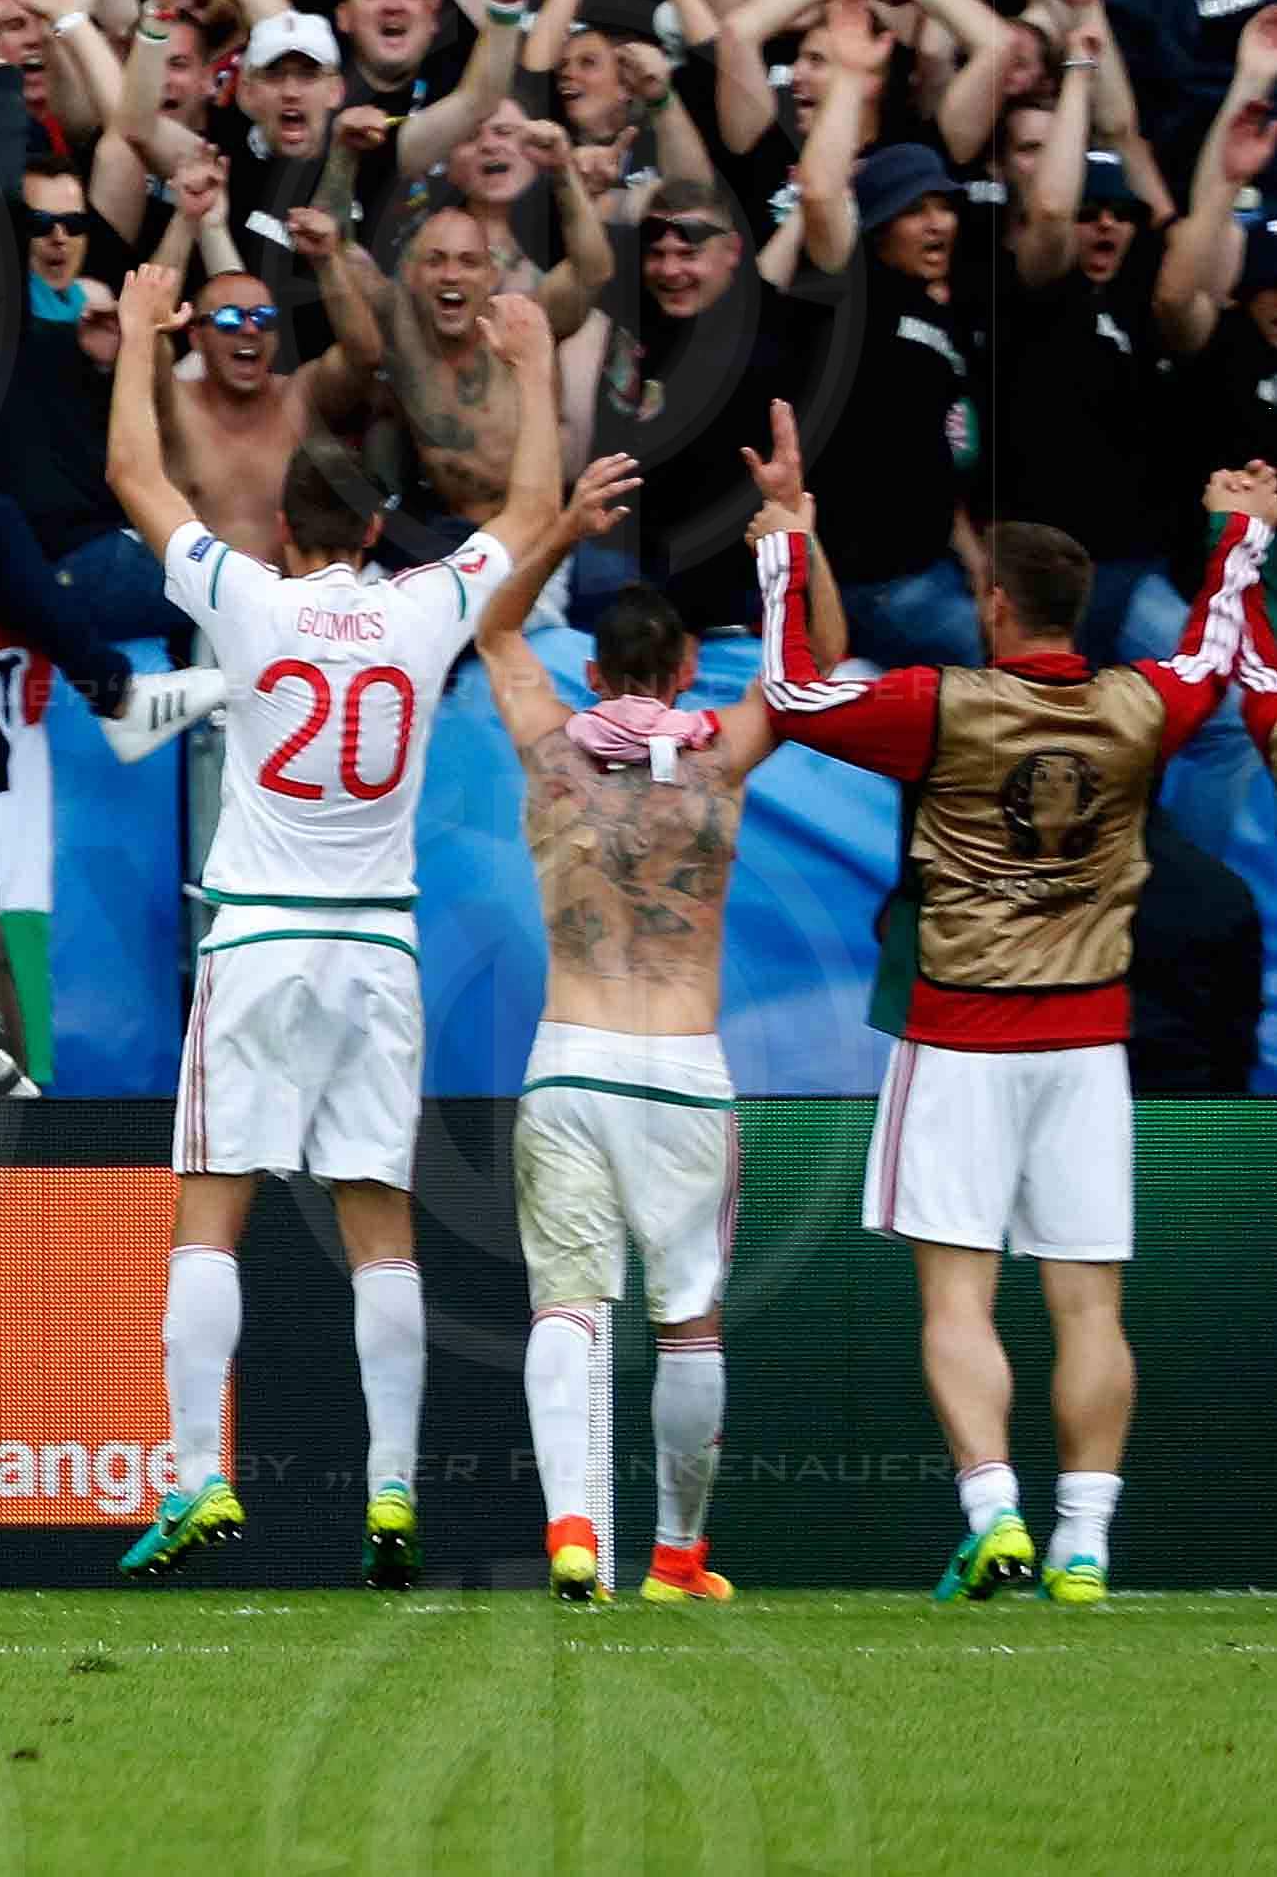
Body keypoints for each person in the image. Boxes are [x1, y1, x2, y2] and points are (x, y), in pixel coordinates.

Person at [99, 266, 577, 1591]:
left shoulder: (243, 599)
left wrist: (139, 342)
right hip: (377, 940)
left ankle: (197, 1471)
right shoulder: (423, 606)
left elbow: (136, 480)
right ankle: (386, 1490)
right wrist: (530, 363)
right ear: (372, 525)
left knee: (208, 1217)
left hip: (256, 932)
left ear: (280, 525)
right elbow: (530, 509)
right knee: (380, 1225)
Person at [768, 503, 1277, 1603]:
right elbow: (1213, 646)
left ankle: (992, 1512)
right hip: (1088, 1044)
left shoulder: (936, 704)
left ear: (991, 603)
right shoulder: (1140, 705)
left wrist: (781, 542)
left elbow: (792, 693)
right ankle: (1083, 1541)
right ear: (1074, 606)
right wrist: (1238, 526)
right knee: (1087, 1307)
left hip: (957, 1038)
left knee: (957, 1300)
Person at [466, 414, 835, 1604]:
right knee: (685, 1320)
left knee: (565, 1306)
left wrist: (560, 527)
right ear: (684, 670)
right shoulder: (719, 754)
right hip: (681, 1067)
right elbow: (816, 663)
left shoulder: (547, 750)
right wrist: (799, 533)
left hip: (568, 1058)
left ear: (597, 673)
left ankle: (570, 1525)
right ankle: (677, 1555)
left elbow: (493, 624)